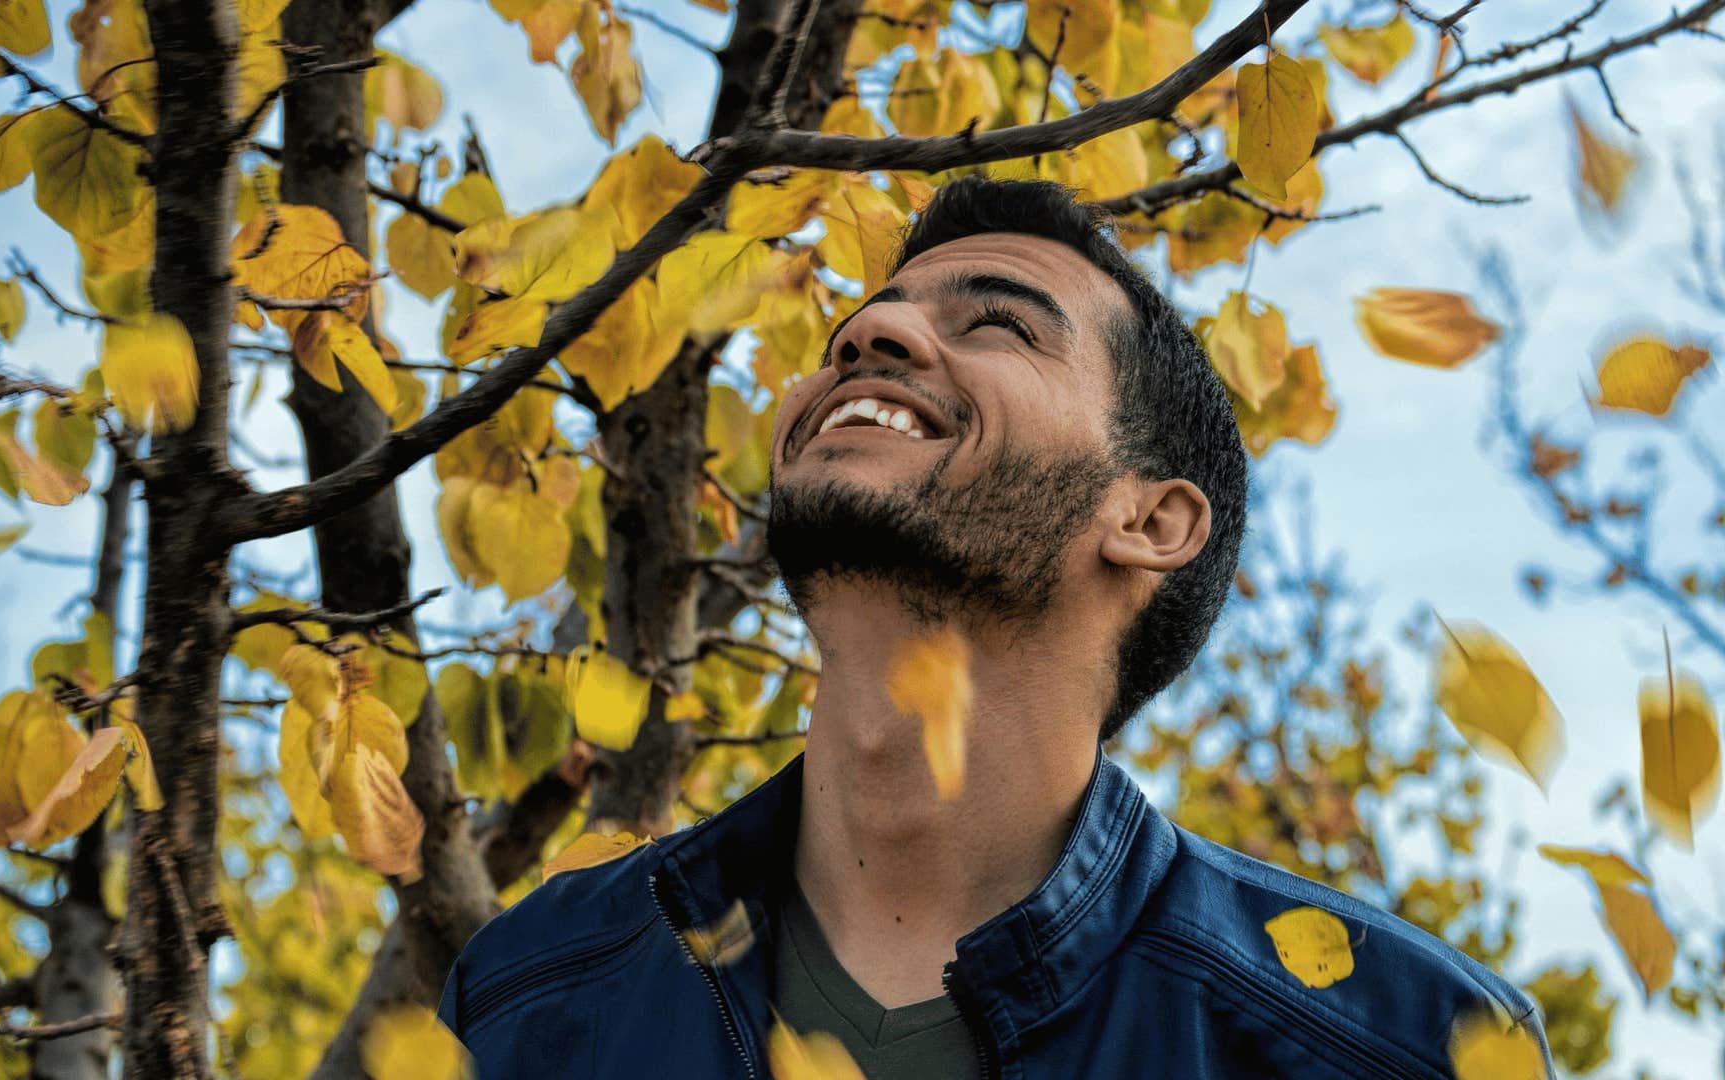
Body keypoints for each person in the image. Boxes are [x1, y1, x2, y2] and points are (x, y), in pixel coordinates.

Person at [436, 176, 1554, 1079]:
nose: (868, 331)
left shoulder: (1399, 1047)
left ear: (1151, 519)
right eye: (862, 322)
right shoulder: (529, 996)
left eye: (999, 325)